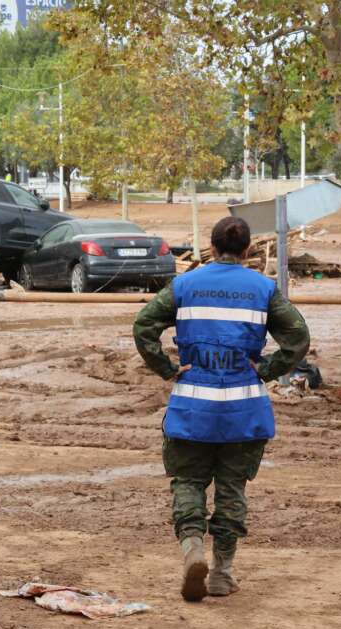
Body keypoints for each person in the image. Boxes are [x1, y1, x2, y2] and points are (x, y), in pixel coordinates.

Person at [133, 216, 310, 602]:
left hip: (192, 406)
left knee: (188, 482)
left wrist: (166, 368)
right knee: (232, 489)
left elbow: (144, 325)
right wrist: (266, 369)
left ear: (211, 249)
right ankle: (221, 573)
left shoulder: (185, 284)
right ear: (247, 252)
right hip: (243, 410)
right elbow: (298, 338)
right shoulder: (264, 289)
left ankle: (193, 547)